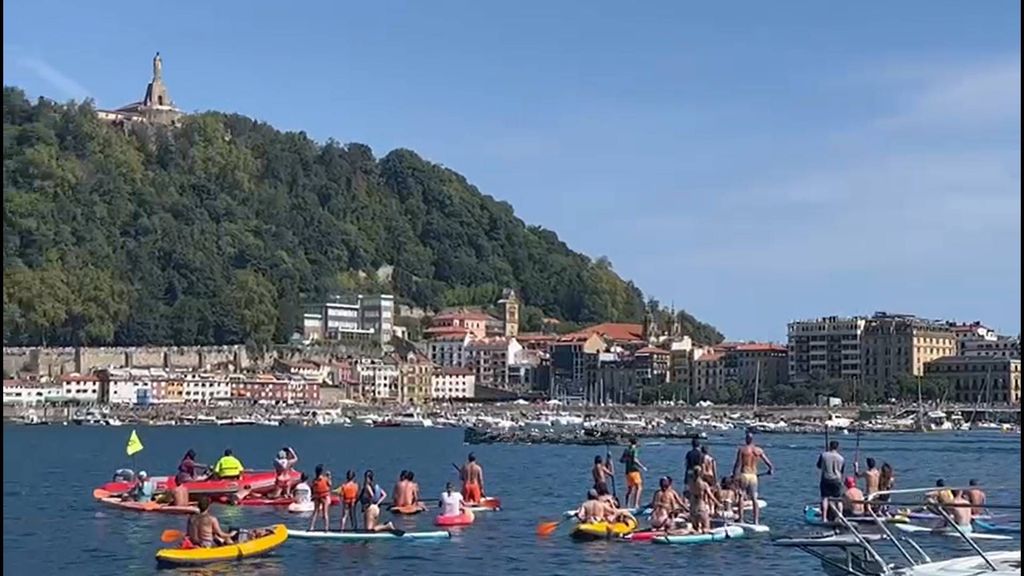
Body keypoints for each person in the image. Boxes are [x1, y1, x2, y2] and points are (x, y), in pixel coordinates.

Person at [733, 432, 773, 525]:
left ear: (746, 439)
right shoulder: (758, 450)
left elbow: (738, 464)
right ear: (752, 440)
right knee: (754, 498)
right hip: (753, 476)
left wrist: (734, 475)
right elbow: (768, 463)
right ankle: (756, 521)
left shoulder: (742, 450)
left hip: (744, 474)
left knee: (741, 496)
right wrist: (770, 469)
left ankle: (741, 519)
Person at [817, 440, 845, 521]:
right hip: (837, 480)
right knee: (838, 499)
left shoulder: (823, 455)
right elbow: (841, 471)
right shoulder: (841, 458)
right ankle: (840, 517)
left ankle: (824, 517)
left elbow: (819, 466)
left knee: (825, 498)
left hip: (826, 479)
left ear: (830, 446)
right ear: (837, 447)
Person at [620, 438, 647, 508]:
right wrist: (642, 467)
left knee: (630, 489)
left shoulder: (626, 450)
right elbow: (635, 460)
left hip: (627, 471)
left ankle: (627, 505)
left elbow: (621, 460)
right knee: (639, 487)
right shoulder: (634, 450)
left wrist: (627, 459)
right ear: (636, 443)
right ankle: (636, 504)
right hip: (634, 470)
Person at [308, 465, 332, 531]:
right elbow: (330, 484)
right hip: (324, 497)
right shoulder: (325, 479)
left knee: (315, 512)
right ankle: (326, 528)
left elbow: (313, 488)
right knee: (325, 513)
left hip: (317, 497)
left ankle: (311, 527)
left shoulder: (314, 480)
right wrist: (329, 477)